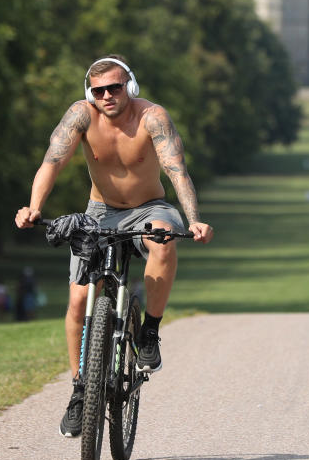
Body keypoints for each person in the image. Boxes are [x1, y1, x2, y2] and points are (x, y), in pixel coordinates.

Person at [14, 55, 214, 439]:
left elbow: (177, 170)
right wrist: (33, 207)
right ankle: (79, 389)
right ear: (90, 92)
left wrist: (193, 220)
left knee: (164, 242)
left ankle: (150, 331)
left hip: (149, 208)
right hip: (99, 211)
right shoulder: (81, 116)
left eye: (115, 87)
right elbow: (51, 162)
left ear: (130, 87)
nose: (107, 95)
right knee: (76, 302)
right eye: (99, 90)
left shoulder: (152, 117)